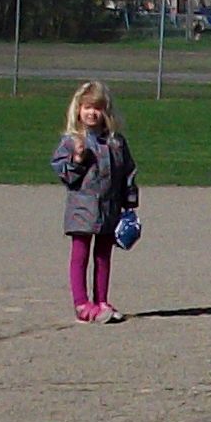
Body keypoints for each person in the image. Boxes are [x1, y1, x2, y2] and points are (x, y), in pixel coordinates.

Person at [51, 80, 140, 323]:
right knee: (80, 254)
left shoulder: (116, 142)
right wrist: (78, 158)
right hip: (83, 209)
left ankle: (101, 300)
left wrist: (129, 205)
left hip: (109, 208)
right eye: (87, 107)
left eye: (98, 108)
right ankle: (81, 303)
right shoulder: (72, 141)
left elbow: (128, 173)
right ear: (78, 110)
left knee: (103, 255)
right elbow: (65, 174)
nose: (92, 112)